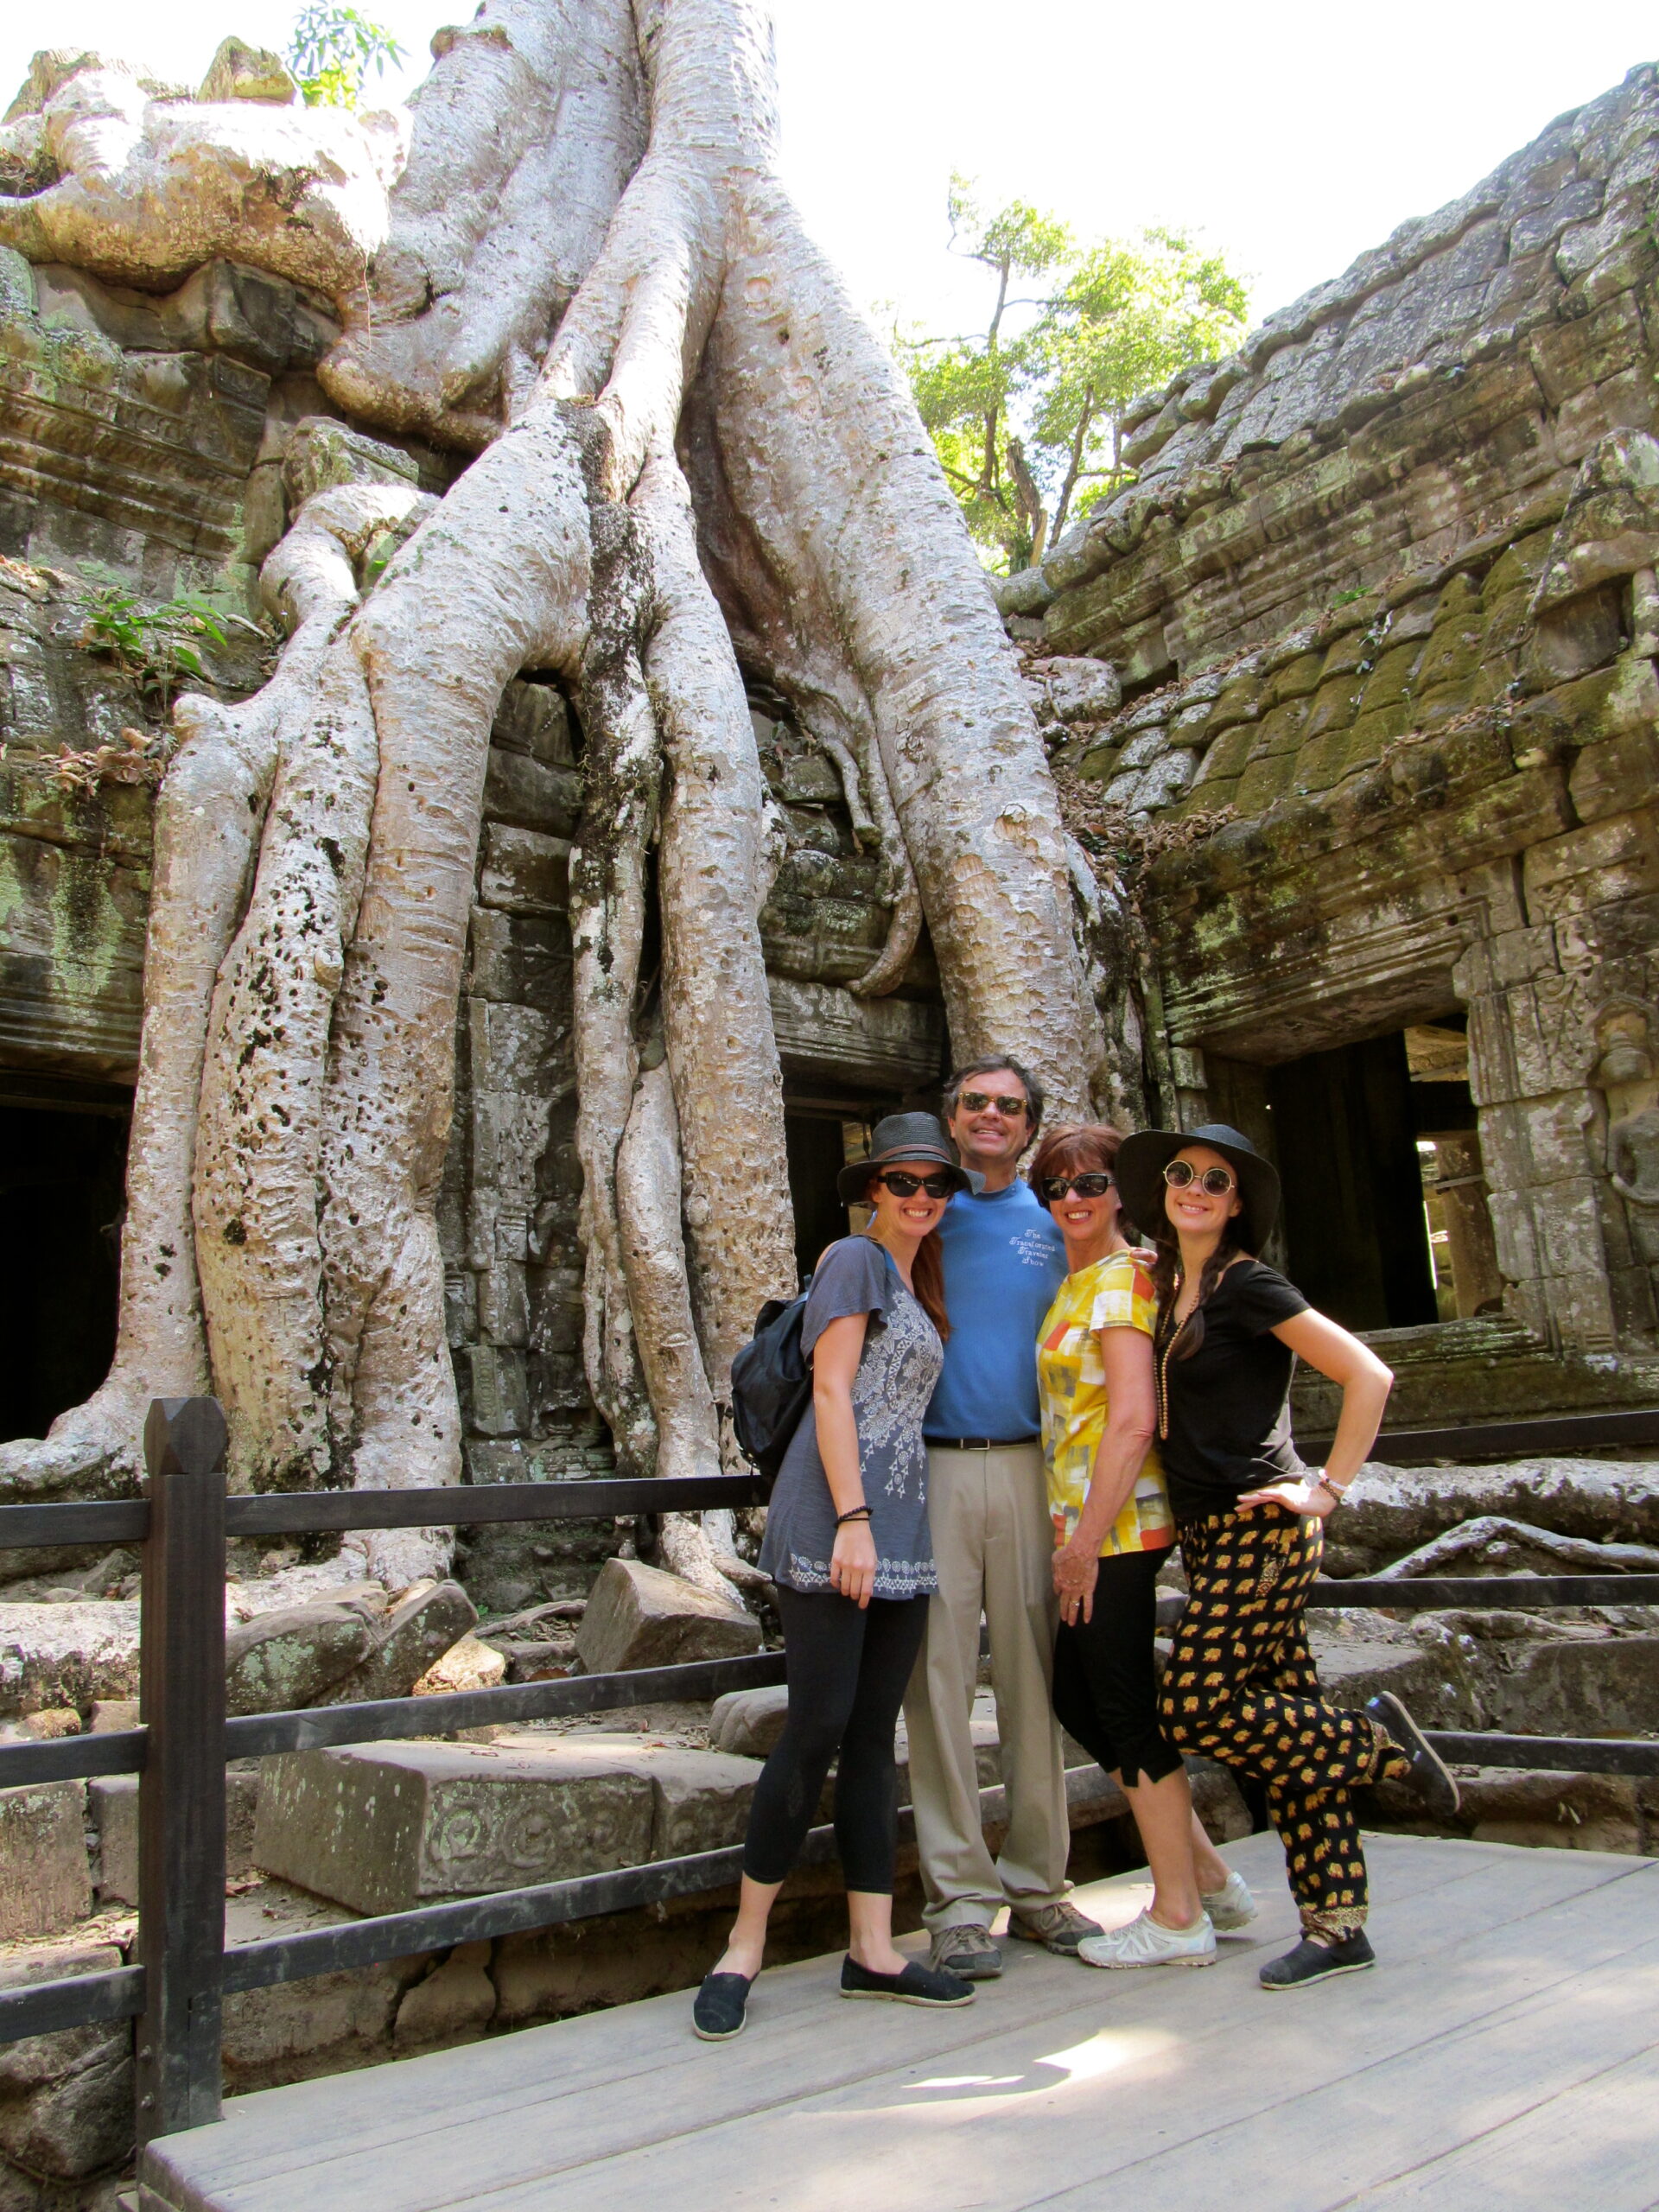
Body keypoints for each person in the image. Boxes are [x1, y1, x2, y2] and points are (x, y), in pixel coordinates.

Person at [1113, 1122, 1462, 1993]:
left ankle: (1382, 1748)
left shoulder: (1249, 1286)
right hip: (1210, 1536)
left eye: (1215, 1180)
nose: (1194, 1187)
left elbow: (1368, 1376)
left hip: (1261, 1532)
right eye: (1182, 1173)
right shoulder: (1167, 1288)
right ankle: (1337, 1924)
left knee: (1194, 1707)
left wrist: (1326, 1489)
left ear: (1237, 1204)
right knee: (1286, 1732)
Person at [692, 1113, 981, 2040]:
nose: (923, 1199)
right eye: (905, 1183)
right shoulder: (852, 1261)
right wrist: (853, 1520)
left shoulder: (916, 1273)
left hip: (900, 1527)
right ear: (873, 1191)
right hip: (837, 1518)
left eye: (937, 1185)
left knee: (870, 1736)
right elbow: (830, 1387)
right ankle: (741, 1947)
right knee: (814, 1726)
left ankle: (874, 1948)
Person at [1031, 1121, 1255, 1970]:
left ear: (1121, 1190)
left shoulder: (1125, 1278)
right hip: (1087, 1524)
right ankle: (1210, 1880)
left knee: (1123, 1708)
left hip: (1116, 1526)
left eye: (1090, 1183)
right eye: (1054, 1187)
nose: (1073, 1200)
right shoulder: (1078, 1281)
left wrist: (1084, 1543)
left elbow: (1132, 1419)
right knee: (1081, 1699)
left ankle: (1177, 1915)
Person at [902, 1056, 1102, 1982]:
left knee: (1034, 1673)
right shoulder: (919, 1214)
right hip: (935, 1468)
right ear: (952, 1118)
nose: (991, 1115)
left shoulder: (1059, 1220)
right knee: (936, 1684)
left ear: (1029, 1127)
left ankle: (1039, 1885)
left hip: (1033, 1469)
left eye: (1009, 1107)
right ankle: (955, 1900)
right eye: (975, 1101)